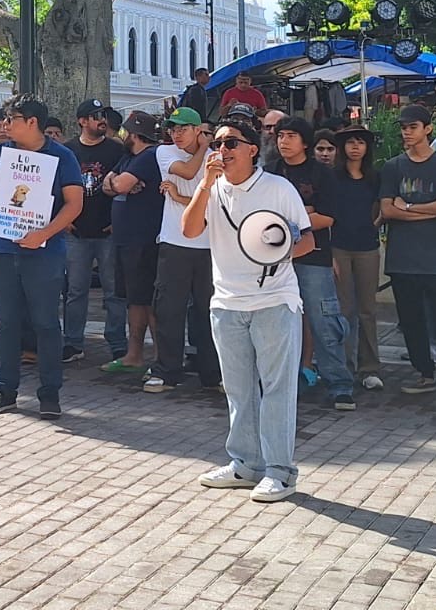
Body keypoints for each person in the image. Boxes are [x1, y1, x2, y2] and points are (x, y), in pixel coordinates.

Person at [187, 114, 313, 503]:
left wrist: (277, 255)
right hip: (226, 302)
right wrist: (205, 184)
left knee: (277, 389)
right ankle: (244, 464)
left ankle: (280, 471)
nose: (221, 150)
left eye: (230, 143)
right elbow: (190, 230)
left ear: (252, 150)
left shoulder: (277, 188)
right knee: (239, 390)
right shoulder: (210, 187)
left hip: (274, 300)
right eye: (217, 144)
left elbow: (307, 239)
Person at [0, 97, 84, 419]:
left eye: (12, 118)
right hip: (1, 250)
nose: (5, 125)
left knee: (46, 323)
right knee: (6, 323)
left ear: (32, 122)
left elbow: (74, 204)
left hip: (44, 254)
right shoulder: (0, 154)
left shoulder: (62, 157)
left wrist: (43, 234)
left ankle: (50, 394)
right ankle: (4, 391)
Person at [379, 105, 436, 402]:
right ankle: (425, 373)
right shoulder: (393, 166)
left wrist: (408, 208)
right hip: (403, 259)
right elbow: (387, 210)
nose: (407, 132)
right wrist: (426, 210)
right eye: (403, 127)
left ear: (428, 128)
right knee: (411, 321)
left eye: (413, 126)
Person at [268, 116, 355, 410]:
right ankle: (281, 383)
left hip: (315, 258)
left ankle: (340, 384)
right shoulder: (270, 172)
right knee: (278, 323)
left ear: (305, 142)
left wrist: (290, 222)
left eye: (291, 135)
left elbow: (328, 217)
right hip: (274, 259)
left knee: (324, 319)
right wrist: (304, 216)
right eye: (280, 135)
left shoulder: (322, 174)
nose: (284, 141)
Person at [148, 107, 221, 393]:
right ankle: (167, 370)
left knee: (208, 310)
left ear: (196, 129)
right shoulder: (165, 153)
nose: (177, 134)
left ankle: (212, 373)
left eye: (183, 128)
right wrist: (203, 148)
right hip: (174, 242)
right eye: (173, 129)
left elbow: (215, 198)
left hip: (208, 244)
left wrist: (178, 196)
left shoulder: (217, 156)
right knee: (169, 309)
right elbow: (190, 171)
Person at [99, 111, 166, 377]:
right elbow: (109, 183)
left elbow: (120, 185)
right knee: (134, 300)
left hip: (144, 240)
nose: (121, 136)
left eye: (125, 132)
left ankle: (162, 357)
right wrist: (117, 184)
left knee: (149, 300)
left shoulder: (149, 156)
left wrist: (118, 184)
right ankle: (134, 354)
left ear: (135, 135)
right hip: (125, 240)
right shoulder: (128, 156)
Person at [64, 98, 127, 364]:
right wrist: (62, 219)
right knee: (76, 290)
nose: (101, 119)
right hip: (76, 232)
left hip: (108, 231)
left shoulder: (117, 150)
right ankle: (72, 342)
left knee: (114, 291)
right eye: (95, 115)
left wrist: (119, 220)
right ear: (82, 121)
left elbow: (128, 186)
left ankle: (117, 342)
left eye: (103, 115)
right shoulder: (67, 151)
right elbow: (56, 188)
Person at [328, 125, 383, 391]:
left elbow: (383, 206)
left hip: (367, 246)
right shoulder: (332, 178)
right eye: (350, 142)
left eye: (360, 142)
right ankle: (344, 367)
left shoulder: (375, 178)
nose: (355, 147)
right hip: (339, 246)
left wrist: (375, 224)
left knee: (368, 310)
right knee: (343, 309)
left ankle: (369, 367)